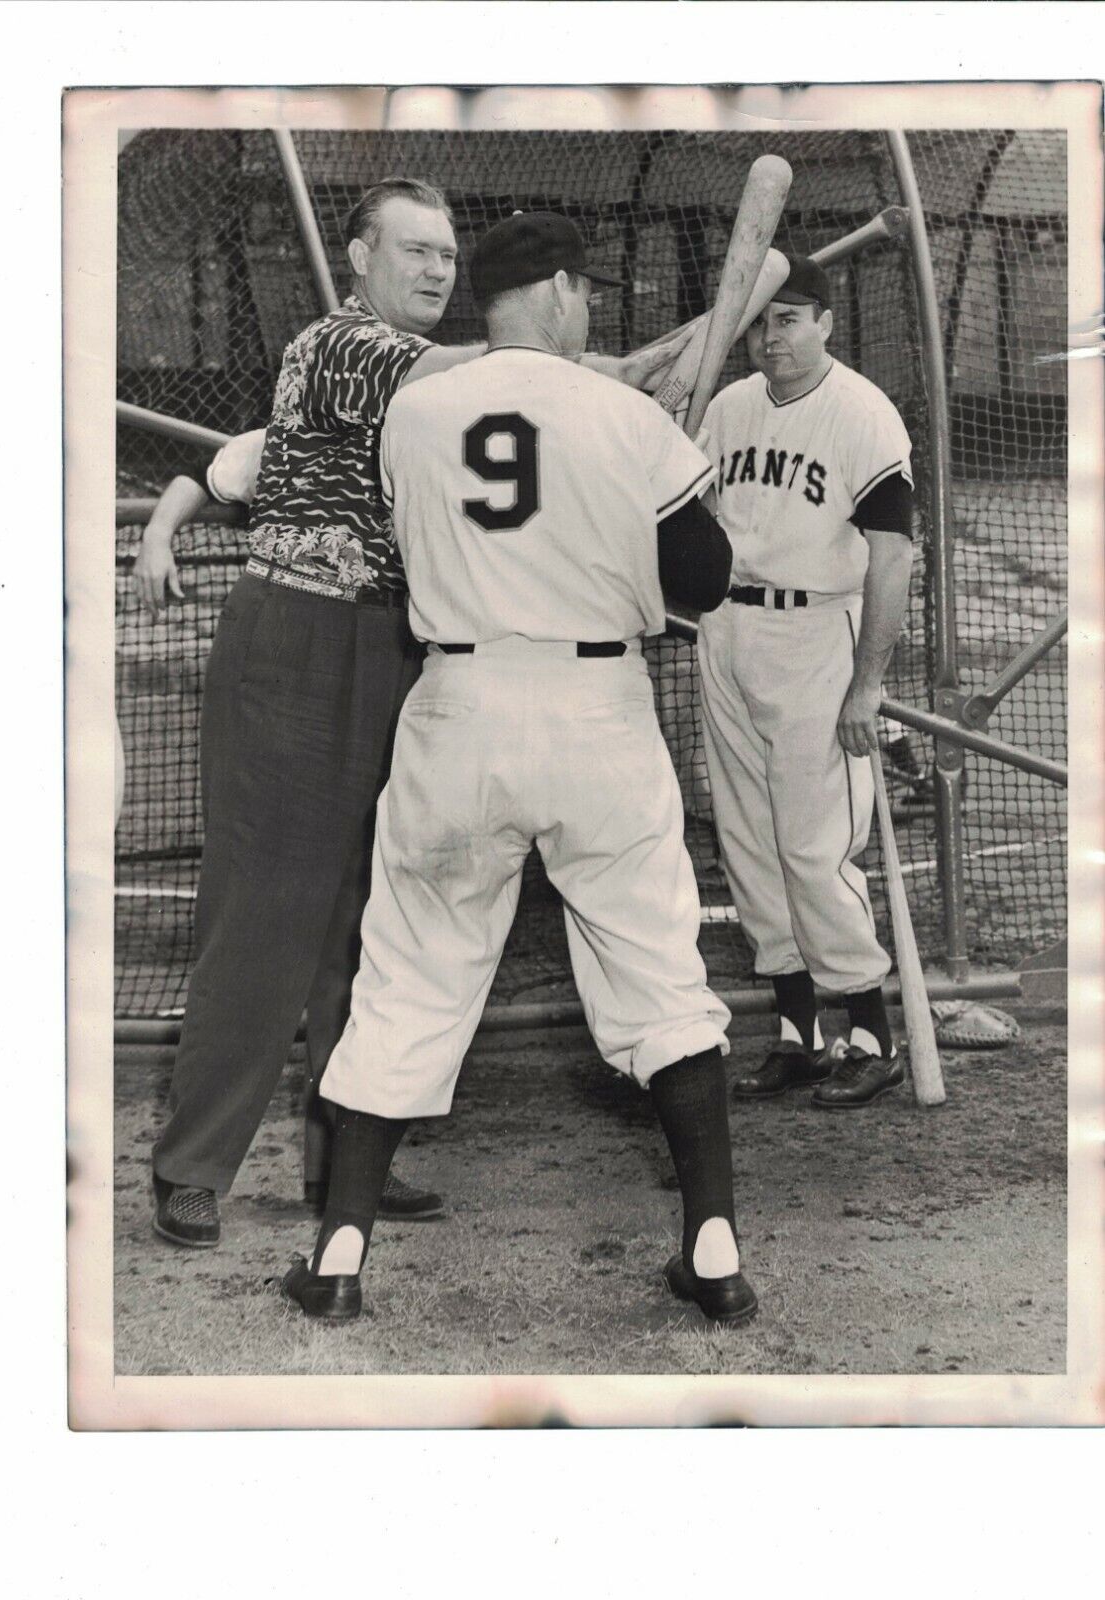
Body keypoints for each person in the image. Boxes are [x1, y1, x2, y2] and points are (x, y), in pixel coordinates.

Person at [140, 179, 689, 1248]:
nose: (437, 270)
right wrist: (624, 374)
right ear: (357, 257)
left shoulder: (421, 401)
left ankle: (351, 1150)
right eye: (414, 251)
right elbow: (522, 379)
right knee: (265, 912)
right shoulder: (339, 348)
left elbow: (232, 462)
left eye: (448, 254)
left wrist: (619, 401)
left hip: (410, 645)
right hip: (298, 636)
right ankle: (193, 1165)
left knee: (375, 916)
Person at [279, 210, 756, 1328]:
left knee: (410, 971)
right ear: (548, 292)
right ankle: (714, 1245)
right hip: (597, 711)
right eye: (582, 289)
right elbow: (702, 583)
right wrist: (671, 494)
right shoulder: (625, 416)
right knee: (655, 973)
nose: (590, 305)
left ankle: (340, 1251)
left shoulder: (414, 409)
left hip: (458, 704)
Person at [694, 254, 916, 1110]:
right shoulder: (730, 406)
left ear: (826, 322)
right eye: (759, 321)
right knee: (748, 840)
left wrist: (869, 687)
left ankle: (871, 1034)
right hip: (729, 628)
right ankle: (798, 1037)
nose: (771, 337)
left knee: (815, 847)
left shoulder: (862, 413)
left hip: (821, 630)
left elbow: (892, 556)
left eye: (788, 318)